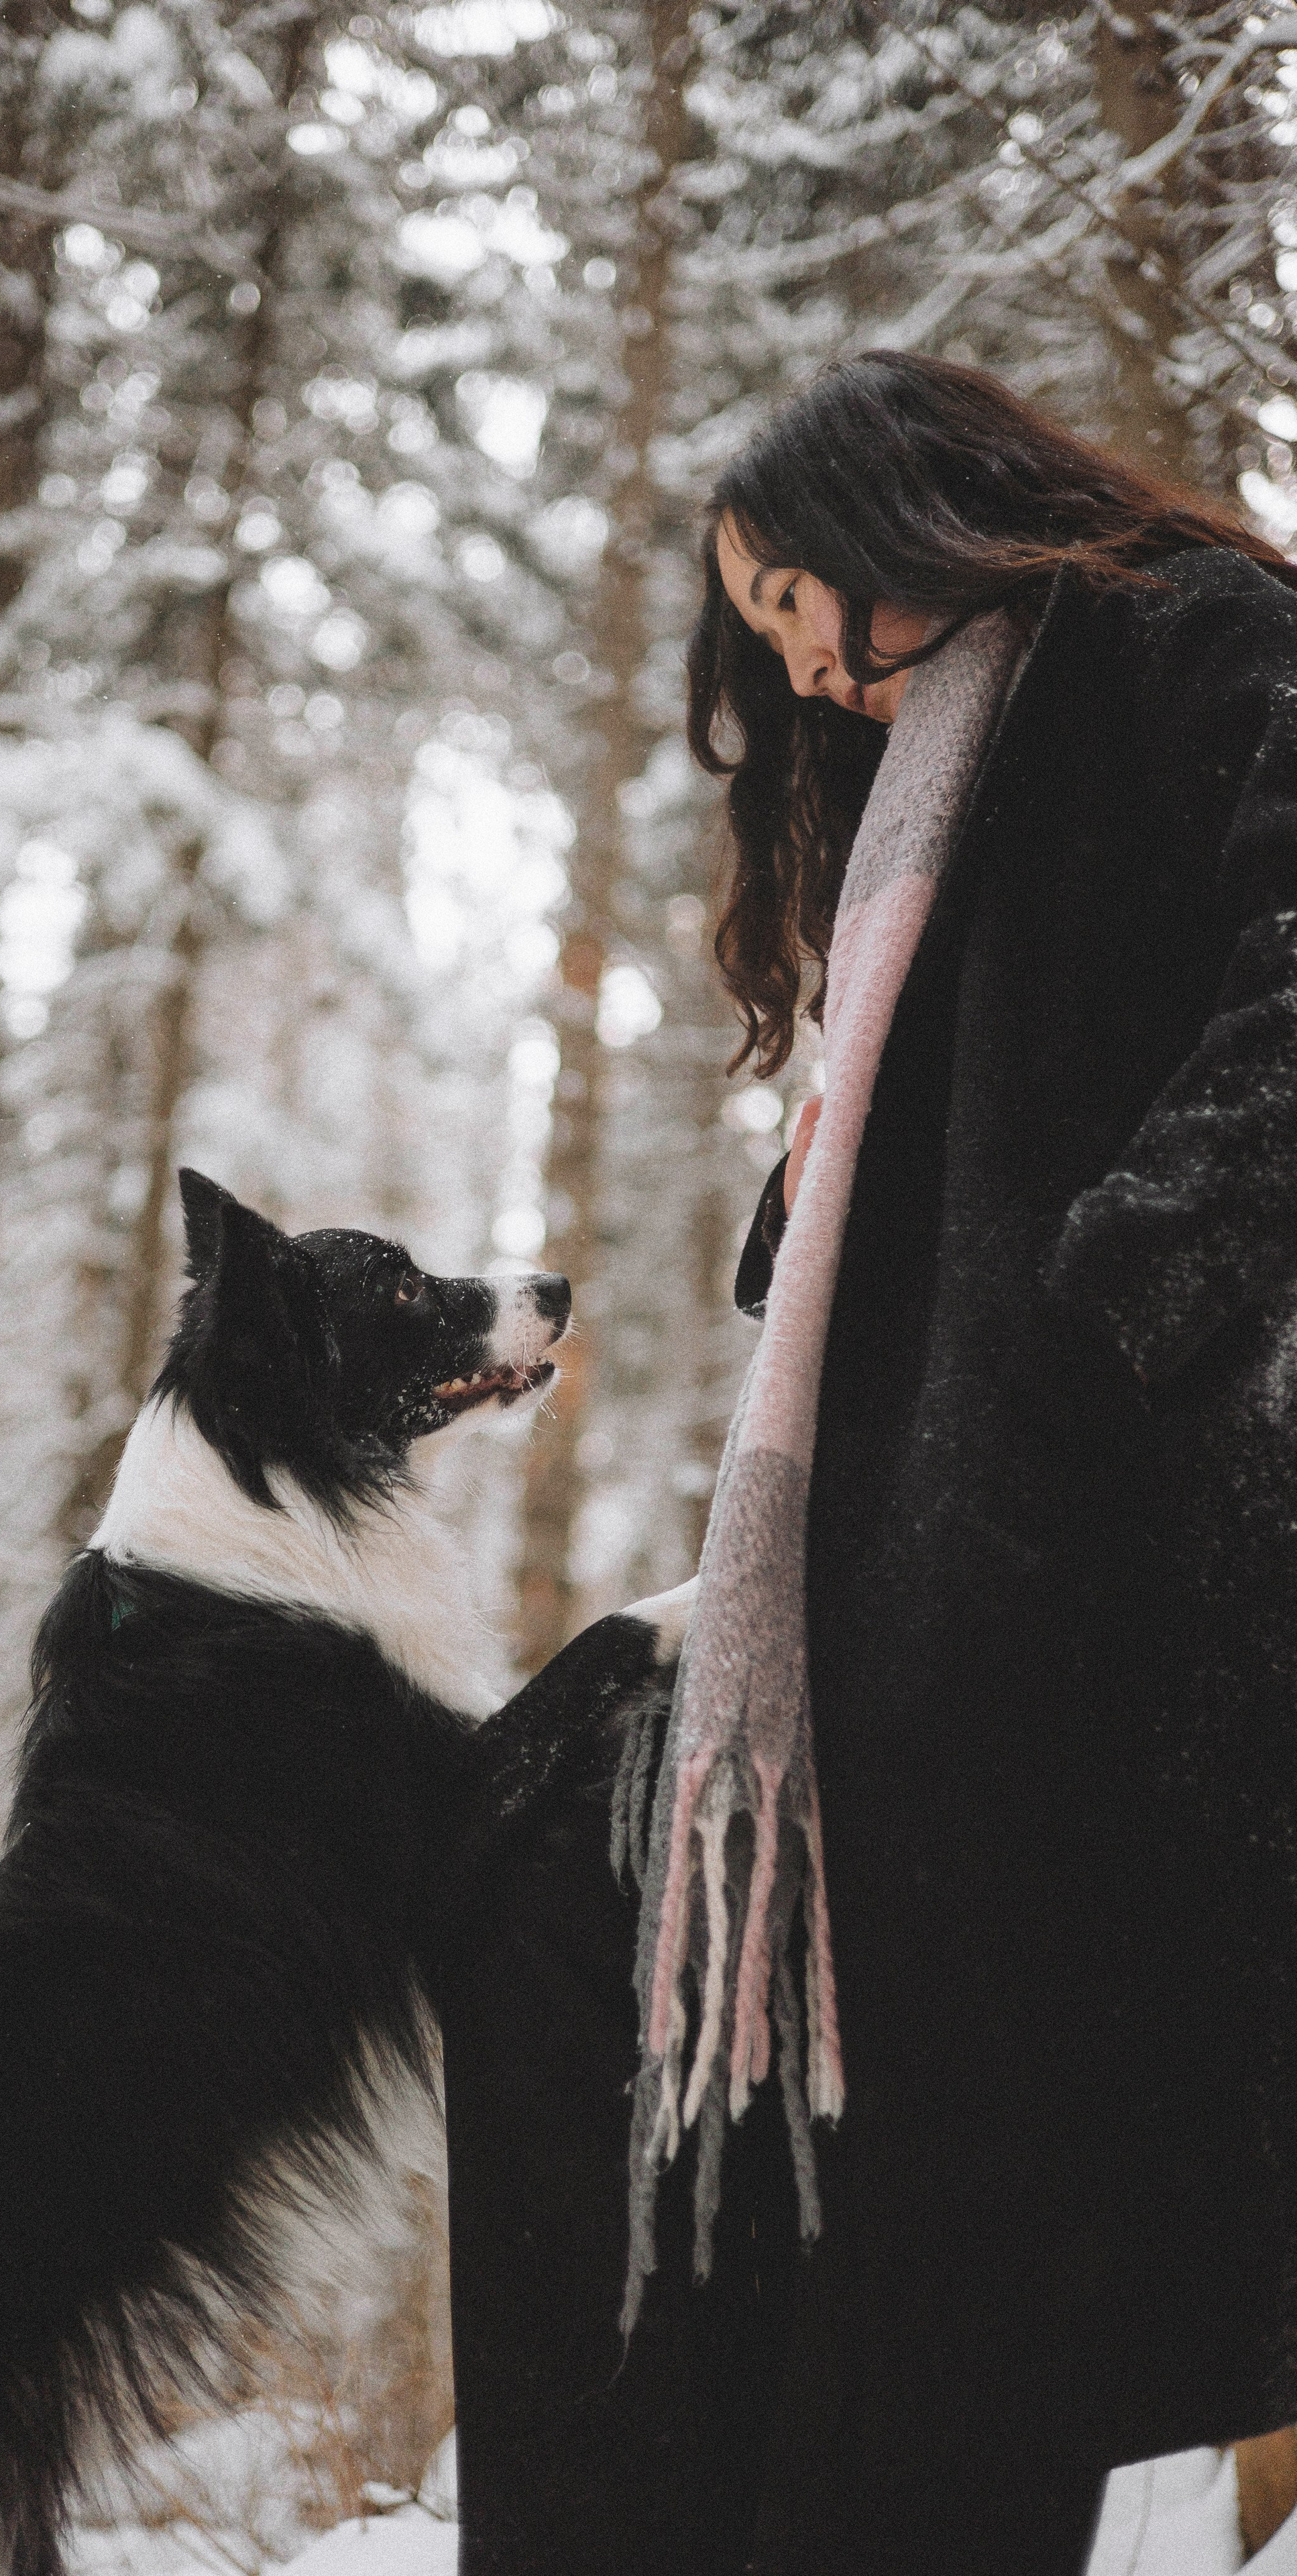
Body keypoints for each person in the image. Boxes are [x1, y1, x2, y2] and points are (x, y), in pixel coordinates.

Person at [440, 350, 1297, 2576]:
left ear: (911, 509)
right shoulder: (940, 764)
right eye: (763, 626)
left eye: (797, 591)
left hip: (1120, 1554)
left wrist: (1109, 1303)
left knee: (973, 2209)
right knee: (547, 1869)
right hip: (933, 1554)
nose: (799, 655)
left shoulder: (1187, 638)